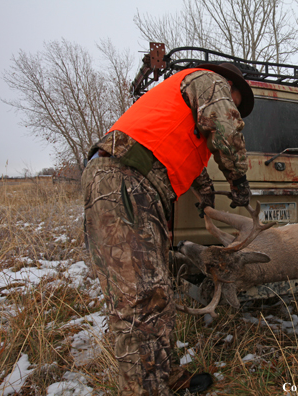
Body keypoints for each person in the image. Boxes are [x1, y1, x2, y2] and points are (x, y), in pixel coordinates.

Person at [82, 63, 254, 395]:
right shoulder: (209, 80)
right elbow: (225, 127)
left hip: (135, 184)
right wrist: (238, 179)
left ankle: (164, 377)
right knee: (140, 303)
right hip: (125, 179)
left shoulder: (185, 112)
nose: (235, 110)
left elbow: (184, 157)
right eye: (236, 104)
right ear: (229, 86)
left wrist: (205, 195)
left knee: (157, 293)